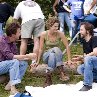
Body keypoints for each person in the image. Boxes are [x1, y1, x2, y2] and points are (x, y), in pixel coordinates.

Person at [33, 17, 72, 87]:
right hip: (46, 55)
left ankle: (48, 78)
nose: (57, 28)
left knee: (53, 54)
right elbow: (41, 49)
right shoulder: (43, 34)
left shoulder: (60, 33)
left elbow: (67, 46)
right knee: (55, 49)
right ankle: (62, 72)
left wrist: (69, 59)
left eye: (58, 26)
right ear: (50, 26)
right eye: (55, 26)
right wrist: (38, 61)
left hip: (57, 55)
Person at [0, 22, 36, 94]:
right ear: (13, 34)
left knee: (23, 64)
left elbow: (17, 57)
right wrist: (27, 56)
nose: (20, 33)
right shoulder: (2, 40)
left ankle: (10, 84)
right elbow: (11, 56)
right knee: (14, 62)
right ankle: (13, 89)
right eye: (19, 32)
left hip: (5, 65)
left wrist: (30, 58)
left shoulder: (13, 43)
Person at [76, 22, 97, 91]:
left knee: (88, 58)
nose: (80, 31)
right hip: (93, 64)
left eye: (81, 30)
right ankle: (95, 78)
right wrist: (80, 58)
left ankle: (87, 85)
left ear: (87, 31)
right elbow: (86, 57)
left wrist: (84, 57)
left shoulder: (94, 38)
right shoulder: (84, 41)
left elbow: (95, 53)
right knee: (80, 69)